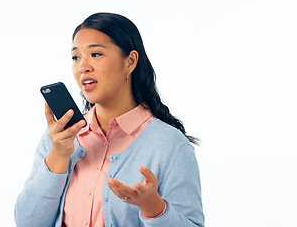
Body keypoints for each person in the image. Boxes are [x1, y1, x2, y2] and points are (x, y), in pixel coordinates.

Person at [14, 12, 204, 227]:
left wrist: (155, 210)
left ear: (130, 61)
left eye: (95, 54)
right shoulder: (59, 138)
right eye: (76, 57)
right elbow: (27, 222)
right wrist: (57, 156)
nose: (83, 66)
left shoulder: (170, 145)